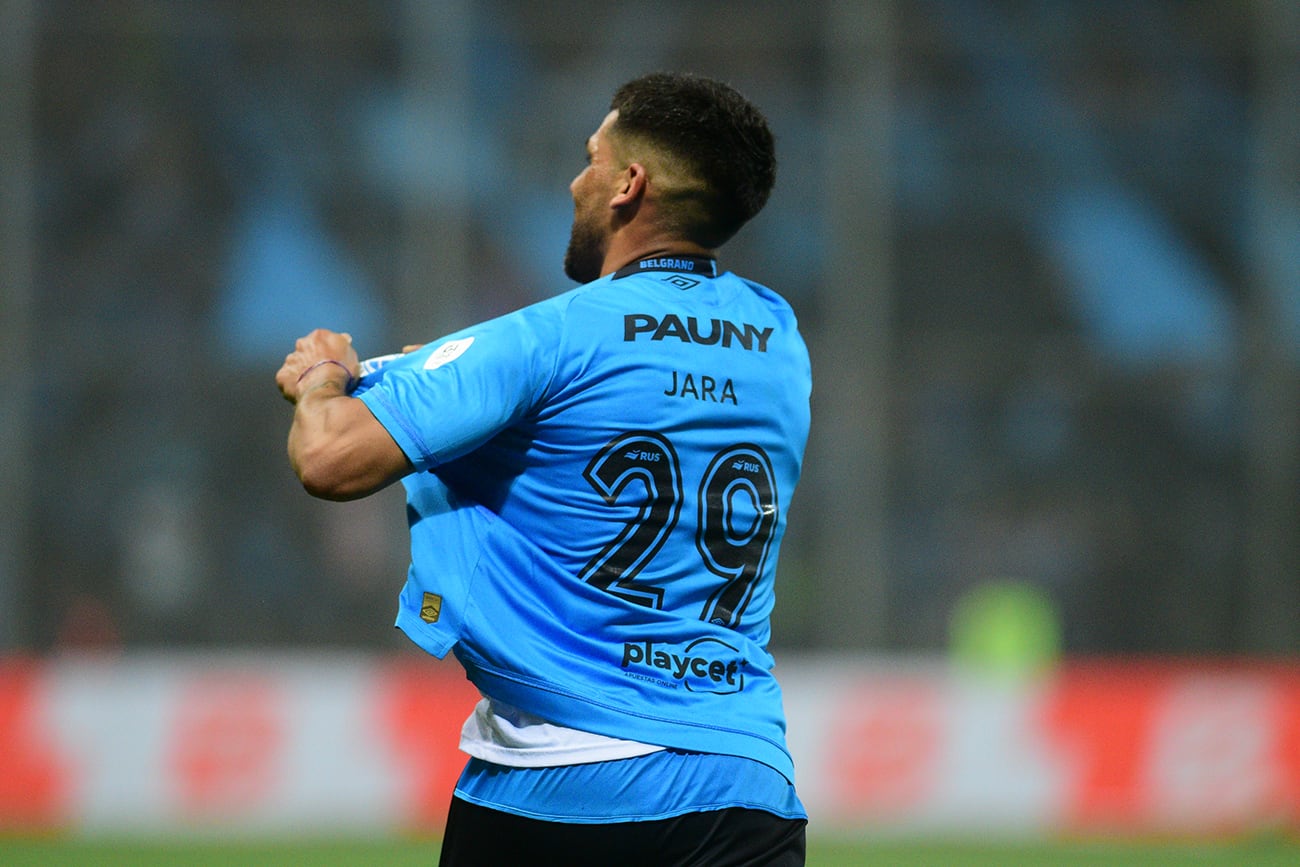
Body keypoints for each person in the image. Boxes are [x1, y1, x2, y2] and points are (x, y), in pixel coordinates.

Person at [276, 72, 811, 866]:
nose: (575, 180)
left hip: (559, 781)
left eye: (592, 158)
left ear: (630, 185)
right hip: (745, 785)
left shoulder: (550, 340)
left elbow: (329, 456)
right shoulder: (779, 340)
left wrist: (321, 376)